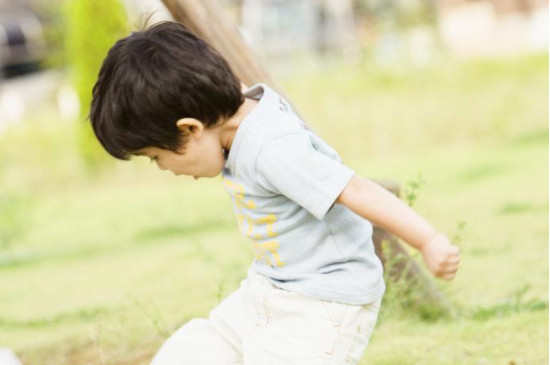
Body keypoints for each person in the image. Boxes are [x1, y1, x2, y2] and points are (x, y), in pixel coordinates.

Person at [90, 21, 460, 365]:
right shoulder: (234, 118)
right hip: (269, 291)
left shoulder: (272, 147)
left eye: (157, 157)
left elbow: (355, 188)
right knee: (191, 350)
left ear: (190, 129)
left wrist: (427, 240)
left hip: (323, 303)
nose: (165, 169)